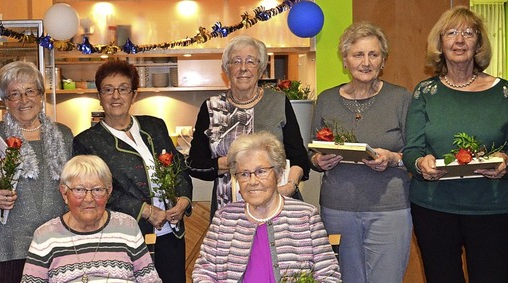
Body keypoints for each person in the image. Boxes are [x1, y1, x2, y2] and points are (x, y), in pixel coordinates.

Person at [402, 6, 508, 282]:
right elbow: (411, 149)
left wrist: (506, 160)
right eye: (451, 33)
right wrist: (419, 163)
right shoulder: (425, 92)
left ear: (479, 43)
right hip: (434, 207)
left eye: (468, 33)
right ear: (440, 43)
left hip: (492, 207)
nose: (459, 40)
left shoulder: (504, 91)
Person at [73, 60, 192, 283]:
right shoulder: (87, 142)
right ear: (100, 96)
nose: (116, 96)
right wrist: (144, 210)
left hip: (170, 234)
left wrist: (183, 201)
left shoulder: (155, 126)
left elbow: (178, 168)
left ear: (134, 95)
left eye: (123, 89)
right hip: (124, 239)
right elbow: (94, 192)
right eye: (108, 89)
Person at [310, 22, 412, 282]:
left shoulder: (401, 98)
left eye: (373, 54)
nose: (366, 62)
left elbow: (415, 154)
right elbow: (311, 151)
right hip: (337, 209)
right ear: (345, 60)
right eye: (358, 55)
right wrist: (319, 160)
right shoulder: (326, 99)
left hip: (389, 210)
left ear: (383, 60)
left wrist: (392, 159)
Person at [0, 61, 73, 283]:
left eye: (30, 91)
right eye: (14, 94)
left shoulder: (64, 135)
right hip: (6, 249)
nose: (24, 100)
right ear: (5, 101)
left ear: (41, 95)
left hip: (59, 245)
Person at [187, 35, 310, 219]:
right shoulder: (211, 107)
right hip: (229, 208)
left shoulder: (278, 102)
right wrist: (233, 164)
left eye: (251, 61)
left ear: (261, 69)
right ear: (225, 69)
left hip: (279, 206)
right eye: (236, 61)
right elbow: (195, 163)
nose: (243, 68)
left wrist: (290, 187)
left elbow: (299, 157)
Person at [192, 132, 340, 282]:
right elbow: (204, 273)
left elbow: (329, 275)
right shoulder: (224, 218)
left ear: (278, 173)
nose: (253, 181)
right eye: (244, 174)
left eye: (261, 171)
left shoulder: (305, 216)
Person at [21, 155, 161, 283]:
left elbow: (151, 281)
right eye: (79, 190)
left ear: (109, 192)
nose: (89, 199)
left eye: (97, 190)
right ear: (64, 193)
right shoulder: (45, 236)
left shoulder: (128, 227)